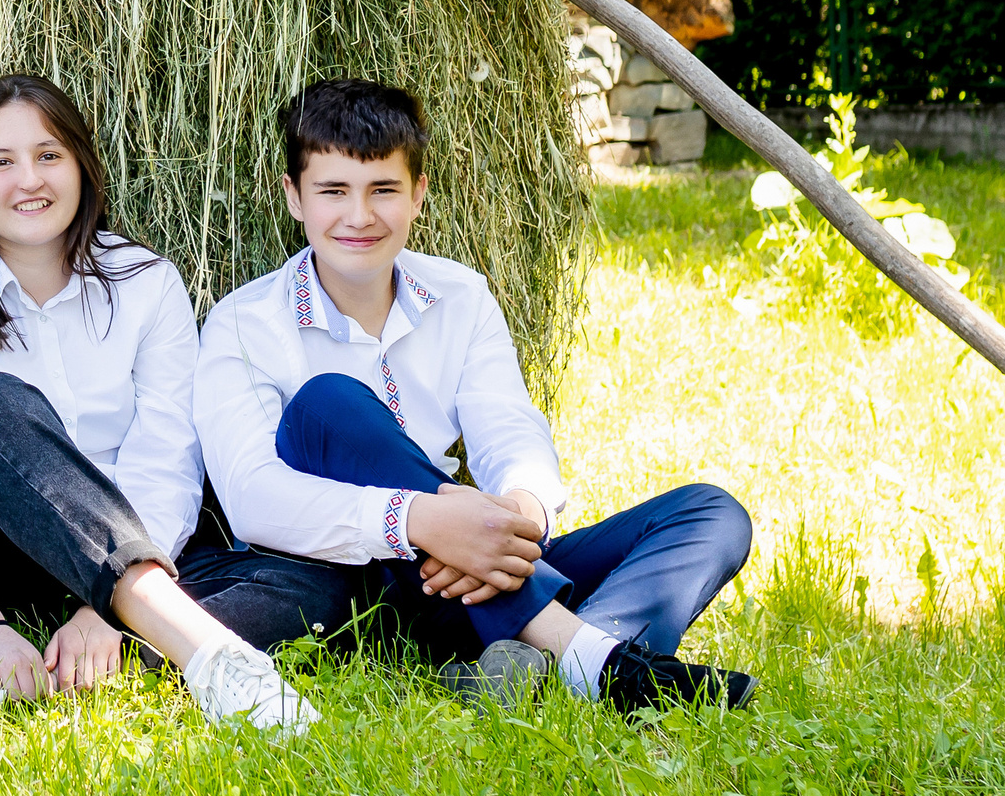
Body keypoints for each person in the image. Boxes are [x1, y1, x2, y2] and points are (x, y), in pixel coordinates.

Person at [194, 77, 756, 711]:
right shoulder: (245, 324)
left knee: (710, 513)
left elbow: (510, 431)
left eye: (384, 190)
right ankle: (593, 659)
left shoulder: (460, 296)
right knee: (329, 403)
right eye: (333, 192)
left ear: (419, 195)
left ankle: (539, 664)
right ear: (294, 198)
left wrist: (511, 520)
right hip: (353, 579)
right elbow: (253, 499)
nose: (359, 216)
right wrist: (422, 521)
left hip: (471, 571)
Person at [0, 74, 319, 735]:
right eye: (2, 162)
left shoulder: (146, 285)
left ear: (81, 165)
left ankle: (25, 664)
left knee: (309, 576)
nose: (30, 180)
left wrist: (98, 609)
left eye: (49, 156)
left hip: (121, 549)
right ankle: (209, 656)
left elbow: (168, 461)